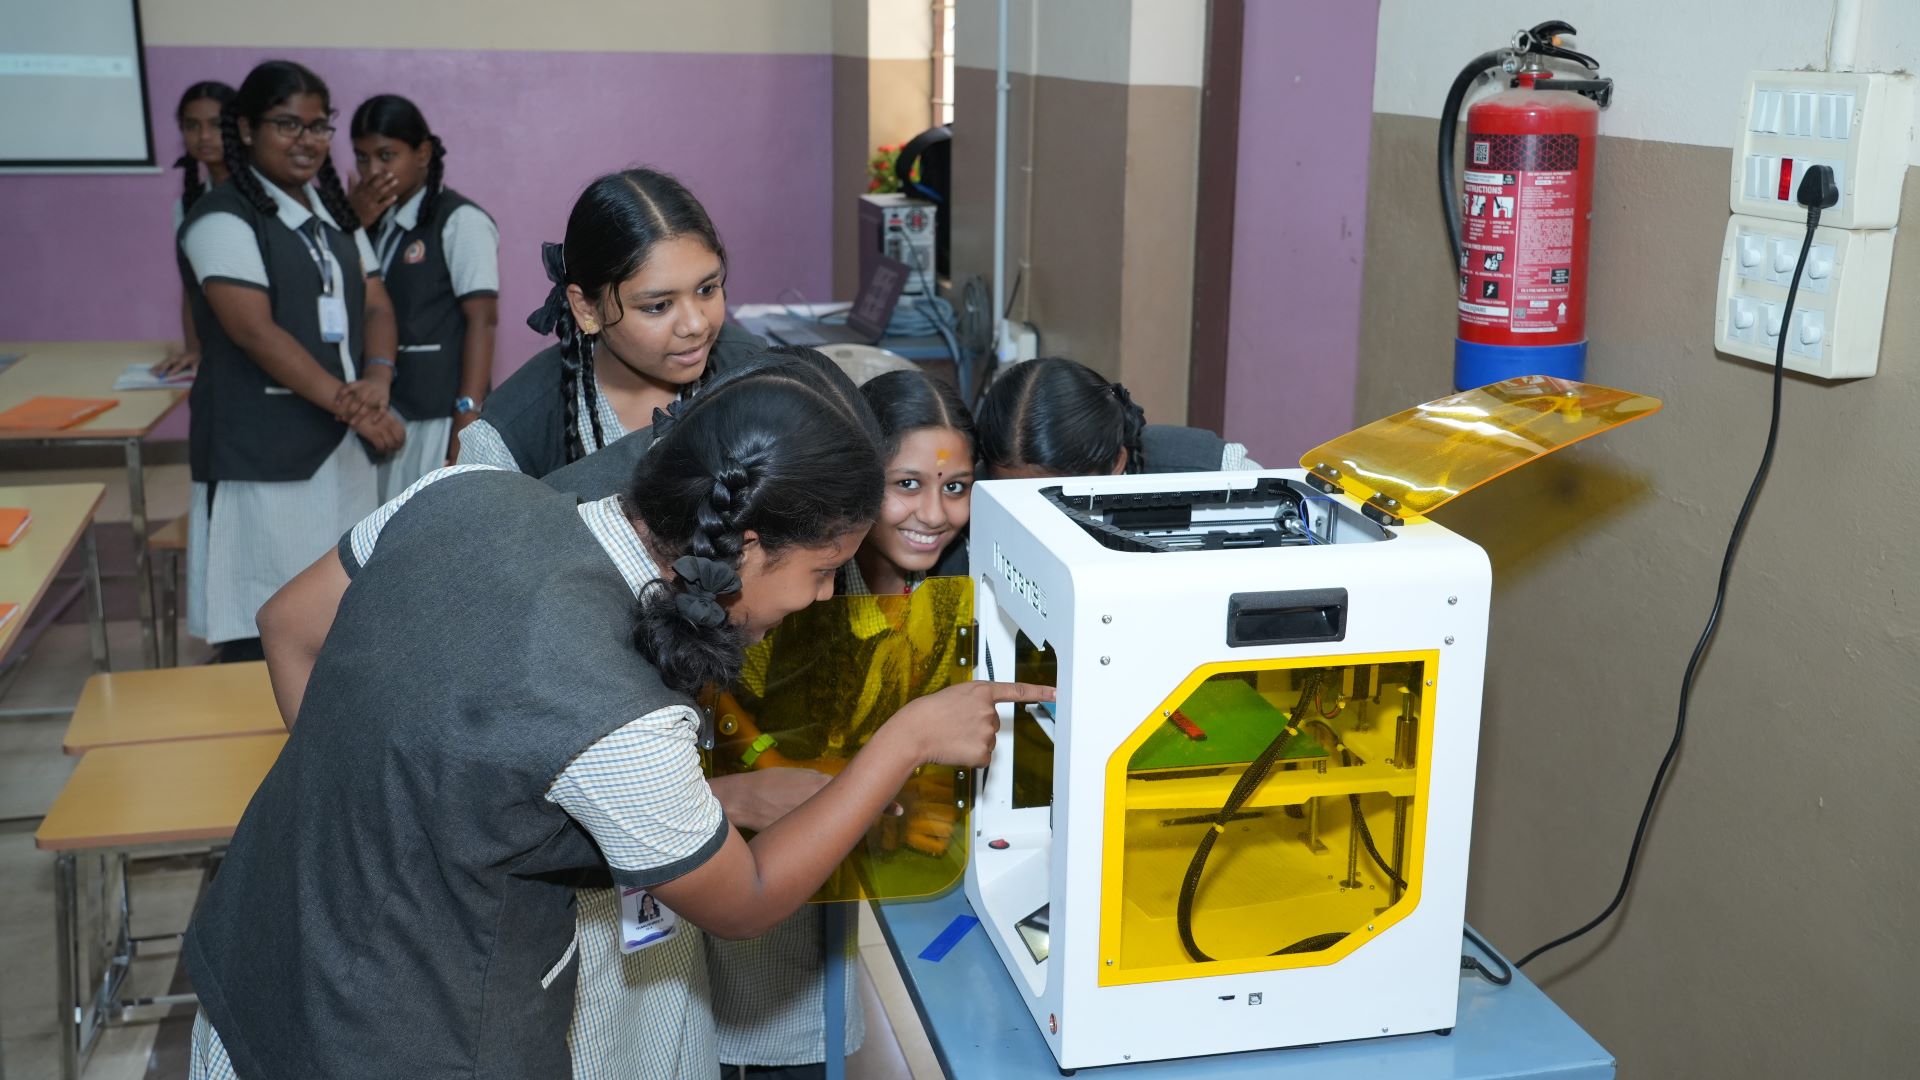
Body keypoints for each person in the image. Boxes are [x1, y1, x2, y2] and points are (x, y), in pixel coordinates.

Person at [183, 353, 1051, 1080]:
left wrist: (373, 805)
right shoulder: (616, 711)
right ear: (748, 547)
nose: (824, 598)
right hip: (401, 1041)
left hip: (249, 975)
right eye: (823, 571)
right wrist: (906, 739)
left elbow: (293, 626)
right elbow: (745, 900)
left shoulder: (460, 492)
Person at [709, 366, 979, 1079]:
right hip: (758, 869)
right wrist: (770, 767)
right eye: (907, 484)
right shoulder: (794, 585)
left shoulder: (964, 587)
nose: (934, 513)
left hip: (888, 869)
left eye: (956, 487)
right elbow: (727, 704)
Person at [176, 59, 401, 662]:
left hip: (340, 450)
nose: (306, 140)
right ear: (247, 128)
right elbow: (254, 332)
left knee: (338, 619)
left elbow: (377, 304)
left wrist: (378, 378)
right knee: (261, 627)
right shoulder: (221, 218)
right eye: (287, 124)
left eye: (318, 125)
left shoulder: (332, 215)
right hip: (262, 454)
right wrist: (356, 408)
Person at [457, 168, 766, 477]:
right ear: (586, 309)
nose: (696, 324)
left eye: (707, 289)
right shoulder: (506, 439)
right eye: (658, 306)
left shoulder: (760, 376)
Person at [349, 94, 501, 495]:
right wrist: (352, 225)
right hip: (384, 413)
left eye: (386, 156)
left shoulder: (460, 220)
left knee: (428, 519)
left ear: (422, 154)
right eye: (362, 158)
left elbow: (483, 321)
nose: (373, 171)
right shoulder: (374, 222)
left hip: (438, 414)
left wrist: (467, 416)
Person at [974, 356, 1259, 479]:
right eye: (1011, 500)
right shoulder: (966, 507)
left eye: (1051, 497)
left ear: (1116, 465)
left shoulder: (1219, 474)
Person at [155, 80, 235, 378]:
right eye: (192, 126)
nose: (204, 136)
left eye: (216, 125)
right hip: (219, 349)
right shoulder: (189, 203)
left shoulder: (264, 195)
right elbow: (192, 285)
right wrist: (193, 349)